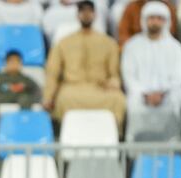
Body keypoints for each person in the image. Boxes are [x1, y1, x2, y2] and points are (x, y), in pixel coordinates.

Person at [43, 0, 126, 132]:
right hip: (72, 89)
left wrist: (113, 82)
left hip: (100, 88)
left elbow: (114, 73)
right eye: (83, 12)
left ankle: (111, 139)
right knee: (64, 99)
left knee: (117, 99)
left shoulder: (108, 43)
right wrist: (48, 97)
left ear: (95, 15)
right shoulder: (64, 43)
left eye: (89, 12)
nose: (86, 15)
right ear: (77, 15)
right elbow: (52, 72)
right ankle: (68, 140)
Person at [122, 1, 181, 142]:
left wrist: (161, 94)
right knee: (133, 104)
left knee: (176, 100)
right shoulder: (132, 46)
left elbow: (178, 77)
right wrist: (146, 95)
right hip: (140, 96)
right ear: (144, 20)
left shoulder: (175, 48)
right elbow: (129, 77)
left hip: (168, 95)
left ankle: (173, 149)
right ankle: (134, 154)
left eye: (159, 18)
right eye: (151, 18)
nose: (155, 22)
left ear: (166, 21)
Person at [0, 50, 42, 137]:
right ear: (6, 63)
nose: (14, 64)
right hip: (4, 99)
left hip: (22, 100)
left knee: (26, 98)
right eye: (11, 62)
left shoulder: (26, 79)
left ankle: (24, 125)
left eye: (17, 62)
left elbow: (35, 90)